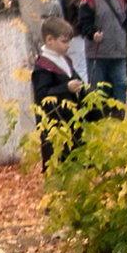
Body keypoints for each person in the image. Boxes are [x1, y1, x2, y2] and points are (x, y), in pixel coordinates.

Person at [31, 16, 93, 168]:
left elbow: (77, 81)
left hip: (71, 121)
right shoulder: (43, 67)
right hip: (54, 125)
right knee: (58, 163)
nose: (68, 46)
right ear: (49, 39)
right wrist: (66, 88)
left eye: (69, 41)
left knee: (77, 161)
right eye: (64, 41)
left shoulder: (65, 61)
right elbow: (42, 96)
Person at [74, 0, 127, 103]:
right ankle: (99, 119)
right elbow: (83, 23)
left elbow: (125, 23)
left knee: (122, 85)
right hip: (98, 53)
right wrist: (92, 34)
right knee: (98, 90)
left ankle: (122, 115)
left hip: (119, 53)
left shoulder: (119, 0)